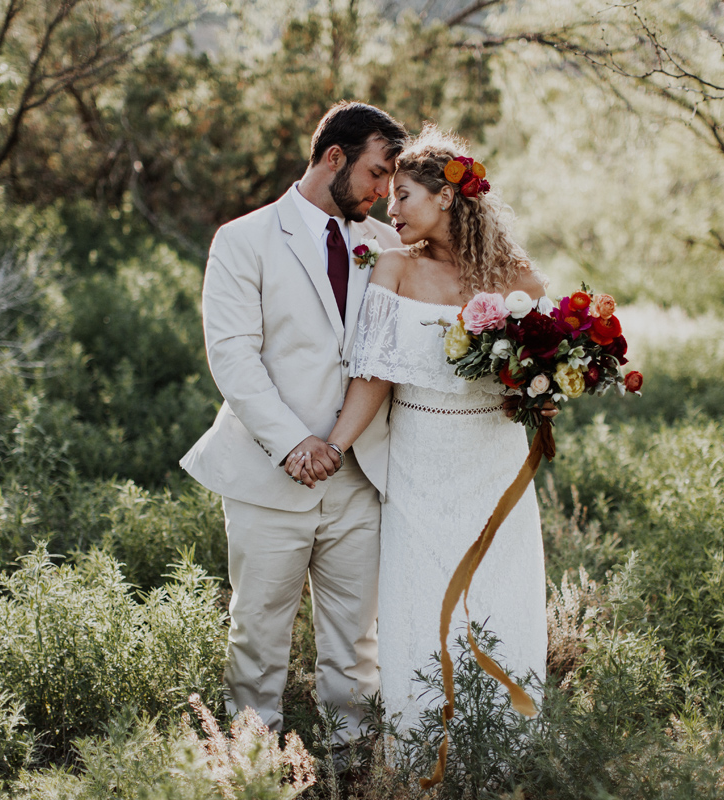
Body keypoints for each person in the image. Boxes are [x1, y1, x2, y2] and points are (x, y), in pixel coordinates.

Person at [288, 126, 549, 734]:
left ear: (447, 199)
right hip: (418, 459)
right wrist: (334, 446)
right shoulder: (394, 268)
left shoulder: (520, 280)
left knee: (498, 594)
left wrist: (548, 389)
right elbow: (374, 374)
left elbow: (536, 377)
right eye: (389, 193)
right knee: (419, 598)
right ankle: (419, 747)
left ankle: (507, 746)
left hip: (494, 459)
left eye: (404, 194)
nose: (390, 206)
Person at [180, 101, 409, 751]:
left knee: (356, 640)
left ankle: (352, 760)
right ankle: (252, 764)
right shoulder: (244, 239)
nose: (384, 192)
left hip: (359, 475)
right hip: (267, 473)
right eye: (376, 173)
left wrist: (336, 443)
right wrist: (293, 444)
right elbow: (232, 355)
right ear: (333, 158)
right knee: (257, 633)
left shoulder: (383, 245)